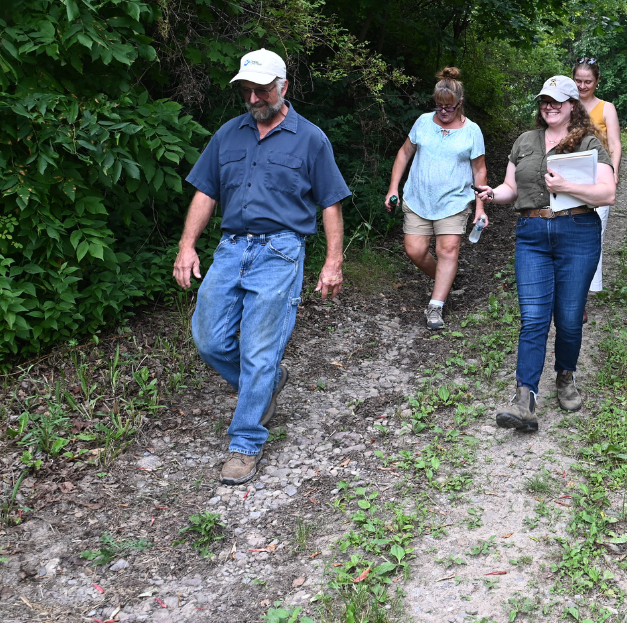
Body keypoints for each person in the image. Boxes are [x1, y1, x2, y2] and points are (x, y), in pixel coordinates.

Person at [174, 48, 350, 485]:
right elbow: (205, 192)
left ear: (283, 87)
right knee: (208, 338)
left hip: (281, 252)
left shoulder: (311, 138)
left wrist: (333, 261)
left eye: (261, 90)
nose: (253, 98)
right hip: (231, 249)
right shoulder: (227, 135)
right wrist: (187, 246)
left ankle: (245, 443)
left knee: (259, 350)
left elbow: (330, 202)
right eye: (246, 90)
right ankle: (266, 382)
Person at [475, 76, 616, 431]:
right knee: (534, 318)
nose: (549, 106)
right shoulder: (525, 141)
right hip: (532, 234)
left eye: (556, 100)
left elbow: (607, 193)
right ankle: (525, 398)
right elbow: (511, 188)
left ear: (572, 105)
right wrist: (493, 194)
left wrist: (566, 185)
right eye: (544, 101)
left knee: (569, 319)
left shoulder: (588, 142)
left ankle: (565, 375)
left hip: (578, 233)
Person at [385, 67, 487, 331]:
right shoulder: (422, 122)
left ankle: (436, 305)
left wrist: (480, 206)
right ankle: (446, 278)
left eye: (449, 107)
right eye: (439, 106)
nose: (443, 111)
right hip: (418, 198)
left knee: (447, 250)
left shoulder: (472, 131)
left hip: (454, 201)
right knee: (415, 250)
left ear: (460, 104)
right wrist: (393, 187)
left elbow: (479, 169)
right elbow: (404, 154)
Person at [572, 58, 622, 315]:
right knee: (568, 232)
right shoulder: (565, 104)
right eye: (578, 81)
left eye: (588, 81)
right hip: (568, 179)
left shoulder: (606, 108)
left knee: (593, 236)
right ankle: (571, 289)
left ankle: (583, 294)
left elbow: (614, 144)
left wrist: (613, 173)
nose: (582, 85)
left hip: (597, 178)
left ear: (597, 81)